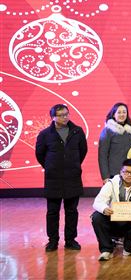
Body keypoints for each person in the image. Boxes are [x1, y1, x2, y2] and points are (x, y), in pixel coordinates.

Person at [35, 104, 88, 252]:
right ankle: (52, 241)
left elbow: (83, 151)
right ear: (53, 117)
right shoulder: (45, 134)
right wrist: (51, 166)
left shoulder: (77, 131)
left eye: (66, 114)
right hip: (53, 178)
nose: (65, 117)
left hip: (72, 177)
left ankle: (70, 240)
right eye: (61, 115)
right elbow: (40, 154)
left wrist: (73, 164)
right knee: (52, 211)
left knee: (72, 211)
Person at [91, 158, 131, 261]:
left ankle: (127, 248)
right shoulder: (111, 184)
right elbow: (98, 202)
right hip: (113, 221)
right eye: (126, 172)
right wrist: (104, 209)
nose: (129, 175)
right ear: (120, 172)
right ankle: (106, 250)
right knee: (97, 217)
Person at [98, 102, 131, 184]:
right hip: (114, 175)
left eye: (124, 112)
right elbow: (102, 155)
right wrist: (105, 177)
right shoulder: (108, 131)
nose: (122, 114)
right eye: (119, 112)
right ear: (113, 115)